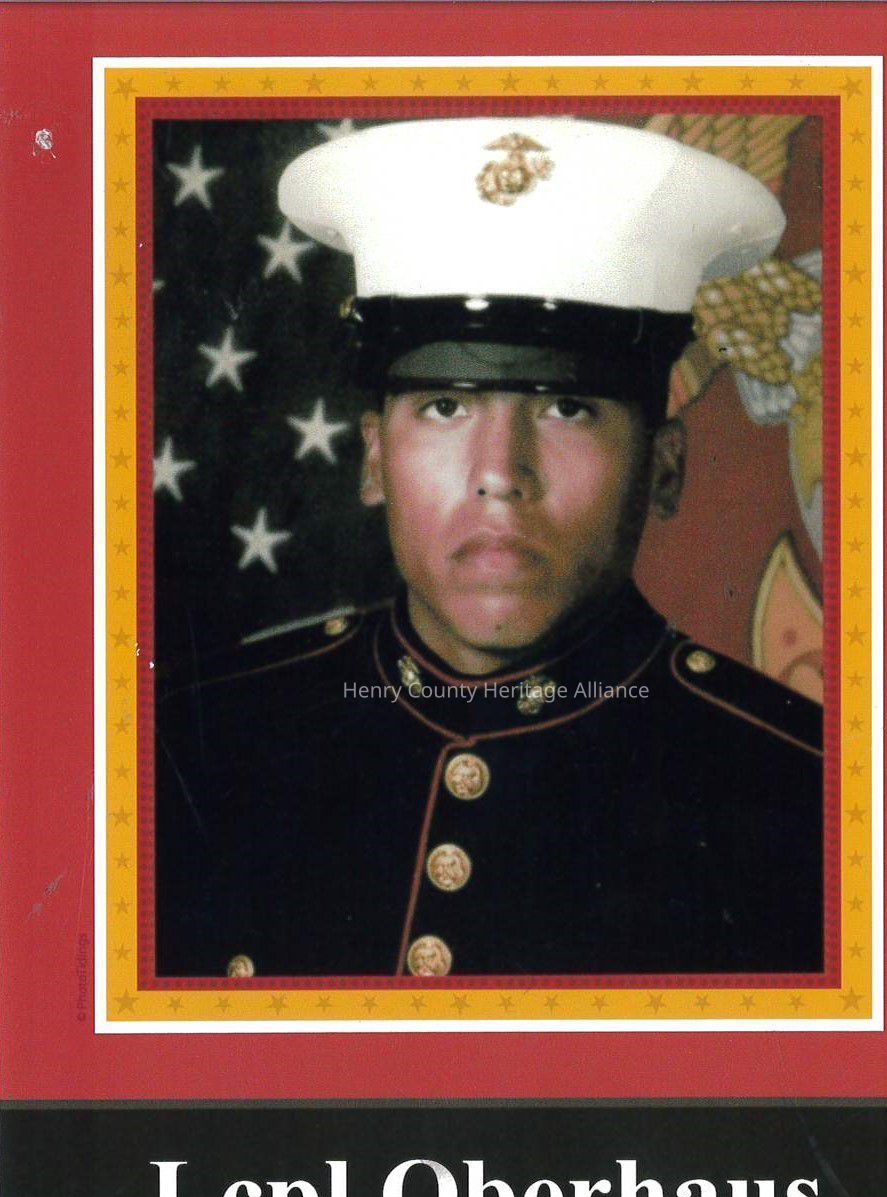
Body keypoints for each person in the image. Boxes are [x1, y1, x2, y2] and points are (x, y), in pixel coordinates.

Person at [154, 117, 823, 979]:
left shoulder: (805, 799)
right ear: (374, 459)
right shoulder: (189, 746)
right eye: (446, 406)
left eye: (567, 408)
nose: (500, 474)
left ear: (664, 470)